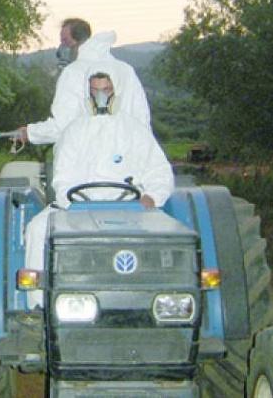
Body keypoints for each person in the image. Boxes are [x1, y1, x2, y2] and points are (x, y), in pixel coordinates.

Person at [23, 71, 174, 308]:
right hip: (79, 208)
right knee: (36, 229)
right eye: (95, 90)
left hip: (130, 209)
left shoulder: (135, 131)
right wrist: (72, 203)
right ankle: (37, 307)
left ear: (116, 92)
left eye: (106, 90)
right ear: (88, 95)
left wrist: (151, 198)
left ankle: (166, 303)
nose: (101, 96)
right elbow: (62, 178)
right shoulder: (74, 131)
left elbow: (160, 172)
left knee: (173, 235)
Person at [17, 18, 151, 145]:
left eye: (65, 41)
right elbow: (142, 120)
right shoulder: (125, 70)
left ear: (78, 42)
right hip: (128, 158)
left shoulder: (74, 72)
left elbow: (63, 126)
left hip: (89, 161)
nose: (61, 47)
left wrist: (30, 132)